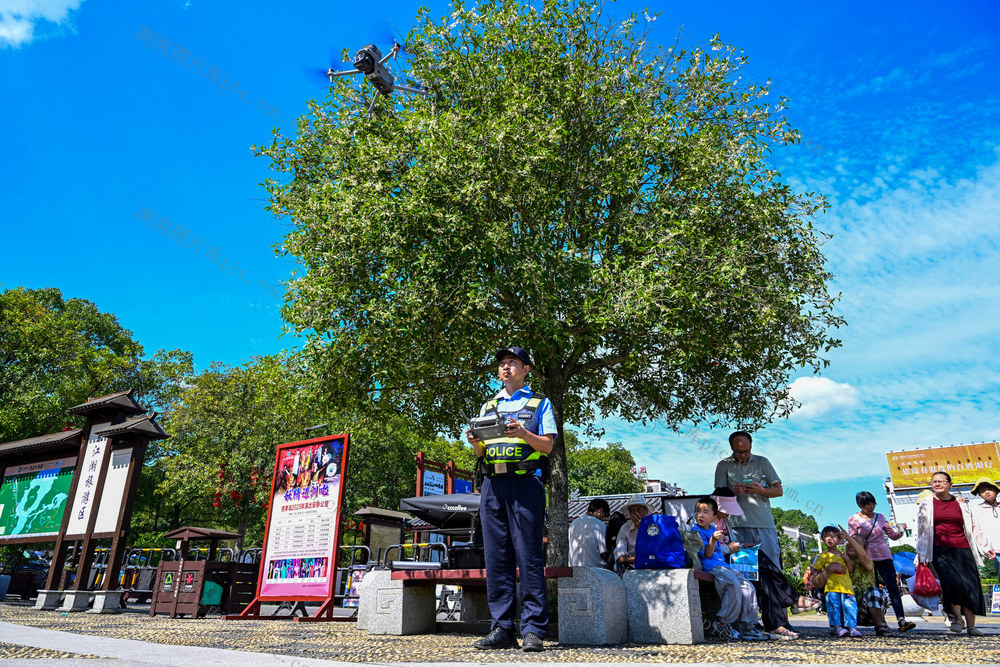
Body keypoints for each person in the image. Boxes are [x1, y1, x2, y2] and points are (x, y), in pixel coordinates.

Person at [466, 346, 556, 652]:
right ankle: (502, 628)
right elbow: (481, 452)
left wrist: (523, 434)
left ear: (526, 369)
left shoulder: (540, 403)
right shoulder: (488, 405)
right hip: (492, 484)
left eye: (513, 362)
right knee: (496, 558)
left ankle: (533, 630)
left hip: (526, 483)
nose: (506, 367)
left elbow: (547, 446)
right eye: (502, 363)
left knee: (529, 556)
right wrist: (475, 442)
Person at [712, 486, 812, 638]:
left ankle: (775, 622)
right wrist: (728, 549)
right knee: (761, 561)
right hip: (720, 561)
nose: (729, 513)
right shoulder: (709, 520)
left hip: (731, 557)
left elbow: (727, 542)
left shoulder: (724, 520)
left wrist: (742, 546)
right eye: (727, 510)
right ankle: (791, 601)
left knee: (763, 577)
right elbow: (706, 548)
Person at [915, 471, 990, 636]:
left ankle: (971, 626)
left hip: (963, 549)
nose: (937, 484)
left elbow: (973, 526)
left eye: (941, 481)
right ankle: (957, 618)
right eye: (934, 482)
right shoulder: (927, 503)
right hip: (939, 550)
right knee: (952, 584)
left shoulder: (961, 504)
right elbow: (921, 529)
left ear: (950, 485)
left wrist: (985, 547)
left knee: (970, 586)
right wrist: (920, 552)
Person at [690, 496, 767, 641]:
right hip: (711, 567)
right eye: (698, 511)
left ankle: (749, 626)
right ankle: (723, 624)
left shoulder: (713, 529)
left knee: (748, 588)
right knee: (733, 584)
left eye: (706, 512)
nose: (701, 515)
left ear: (714, 516)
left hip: (723, 566)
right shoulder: (696, 531)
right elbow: (707, 555)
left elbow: (720, 552)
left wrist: (740, 546)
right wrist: (713, 539)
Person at [848, 490, 916, 633]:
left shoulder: (880, 517)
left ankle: (901, 620)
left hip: (884, 556)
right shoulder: (853, 519)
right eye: (867, 505)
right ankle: (880, 622)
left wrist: (901, 531)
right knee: (871, 589)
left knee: (893, 588)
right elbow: (853, 540)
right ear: (860, 505)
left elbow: (892, 535)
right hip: (866, 559)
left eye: (872, 504)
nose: (871, 507)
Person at [714, 431, 783, 567]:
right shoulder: (723, 465)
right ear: (731, 448)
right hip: (735, 525)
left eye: (746, 451)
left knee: (771, 565)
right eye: (738, 452)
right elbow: (717, 497)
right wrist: (732, 492)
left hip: (763, 523)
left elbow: (779, 491)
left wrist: (761, 490)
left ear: (751, 446)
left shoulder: (762, 462)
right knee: (742, 567)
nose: (743, 455)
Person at [811, 525, 862, 638]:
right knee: (833, 607)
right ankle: (837, 628)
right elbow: (815, 571)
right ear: (823, 539)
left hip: (847, 587)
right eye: (826, 536)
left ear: (839, 540)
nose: (829, 539)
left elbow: (850, 570)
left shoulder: (843, 555)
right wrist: (811, 581)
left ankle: (852, 628)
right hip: (832, 588)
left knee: (850, 607)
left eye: (833, 536)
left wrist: (847, 559)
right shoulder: (823, 556)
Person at [613, 494, 655, 572]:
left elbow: (655, 548)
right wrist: (637, 559)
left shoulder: (654, 526)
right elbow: (619, 555)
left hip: (654, 564)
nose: (635, 513)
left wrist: (642, 529)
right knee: (617, 566)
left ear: (645, 511)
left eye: (638, 510)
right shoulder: (625, 528)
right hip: (632, 566)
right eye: (632, 511)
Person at [970, 477, 1000, 576]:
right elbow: (976, 531)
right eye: (982, 491)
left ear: (996, 490)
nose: (987, 492)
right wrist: (985, 548)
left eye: (990, 489)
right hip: (995, 551)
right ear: (979, 494)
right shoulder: (975, 510)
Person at [569, 498, 610, 568]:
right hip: (594, 568)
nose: (603, 518)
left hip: (573, 567)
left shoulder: (574, 523)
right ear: (600, 511)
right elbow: (603, 552)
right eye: (604, 515)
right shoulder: (599, 524)